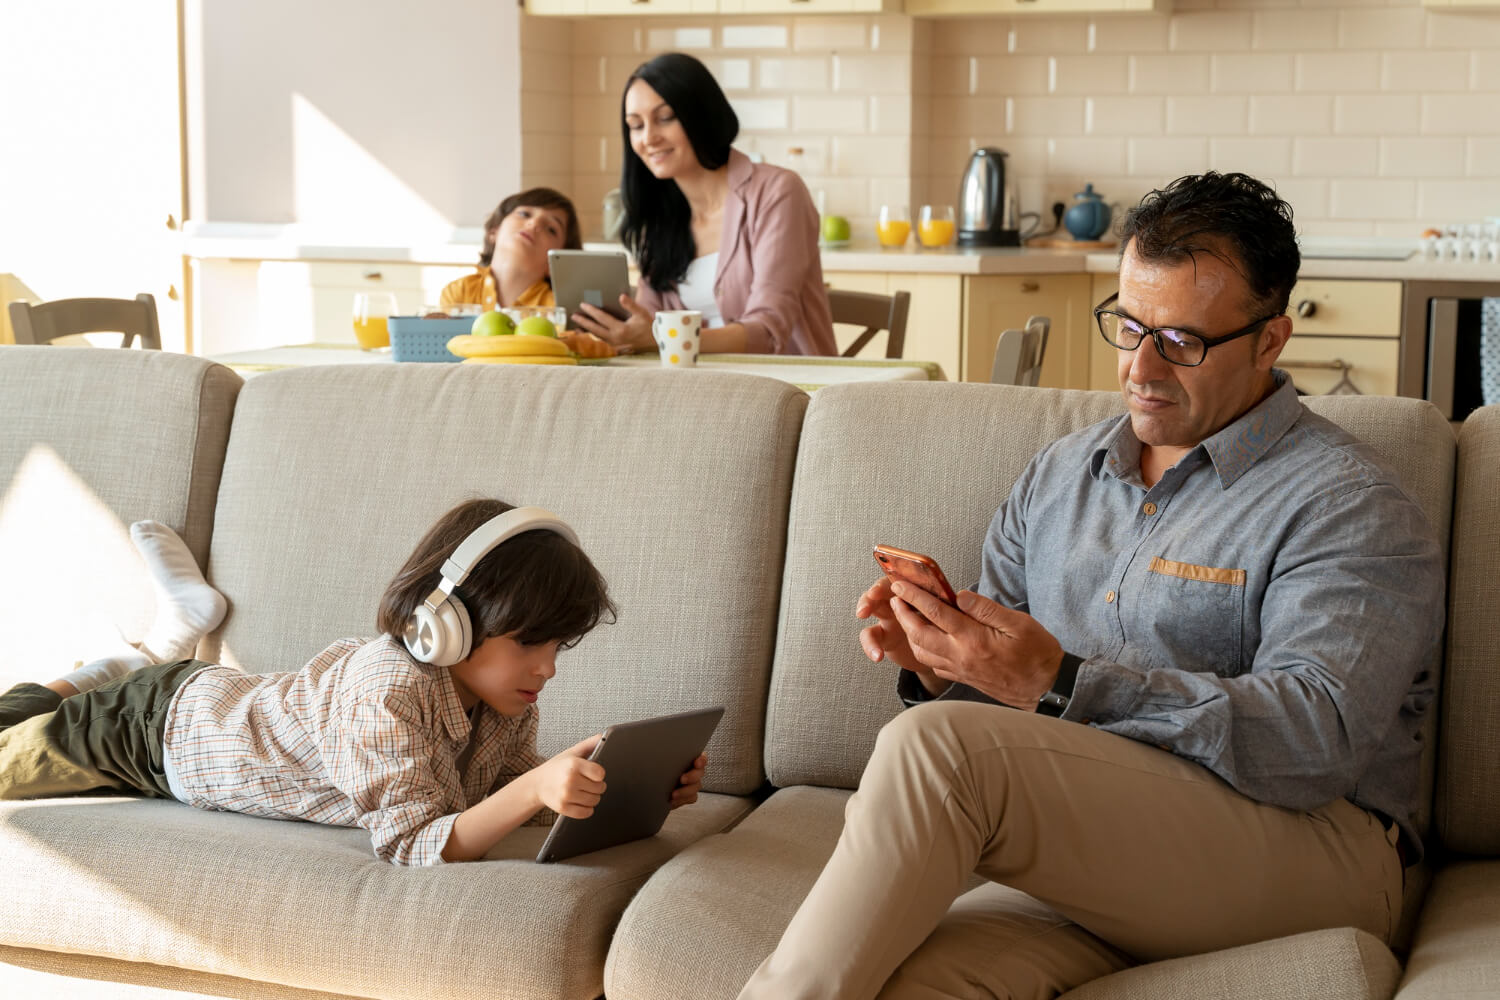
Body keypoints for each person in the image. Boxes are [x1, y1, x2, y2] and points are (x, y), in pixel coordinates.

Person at [738, 173, 1443, 999]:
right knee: (901, 981)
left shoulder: (1350, 504)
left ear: (1270, 340)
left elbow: (1314, 743)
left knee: (933, 748)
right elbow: (996, 722)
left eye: (1180, 341)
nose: (1141, 367)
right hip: (1109, 850)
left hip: (1316, 849)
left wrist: (1064, 682)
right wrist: (943, 665)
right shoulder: (1064, 472)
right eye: (1129, 326)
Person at [0, 501, 708, 866]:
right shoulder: (387, 692)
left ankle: (140, 655)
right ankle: (115, 668)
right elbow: (412, 844)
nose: (547, 668)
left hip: (204, 696)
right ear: (447, 623)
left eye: (557, 646)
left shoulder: (505, 700)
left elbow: (495, 797)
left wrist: (605, 787)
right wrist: (534, 787)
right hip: (155, 731)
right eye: (530, 643)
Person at [569, 52, 837, 357]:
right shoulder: (659, 219)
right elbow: (647, 322)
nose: (648, 138)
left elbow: (768, 331)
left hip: (786, 391)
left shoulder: (777, 193)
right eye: (636, 125)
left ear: (701, 114)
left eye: (665, 118)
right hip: (700, 391)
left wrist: (662, 337)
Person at [440, 187, 582, 313]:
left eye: (551, 229)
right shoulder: (459, 293)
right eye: (525, 214)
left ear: (556, 263)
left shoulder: (560, 312)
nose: (534, 223)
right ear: (494, 231)